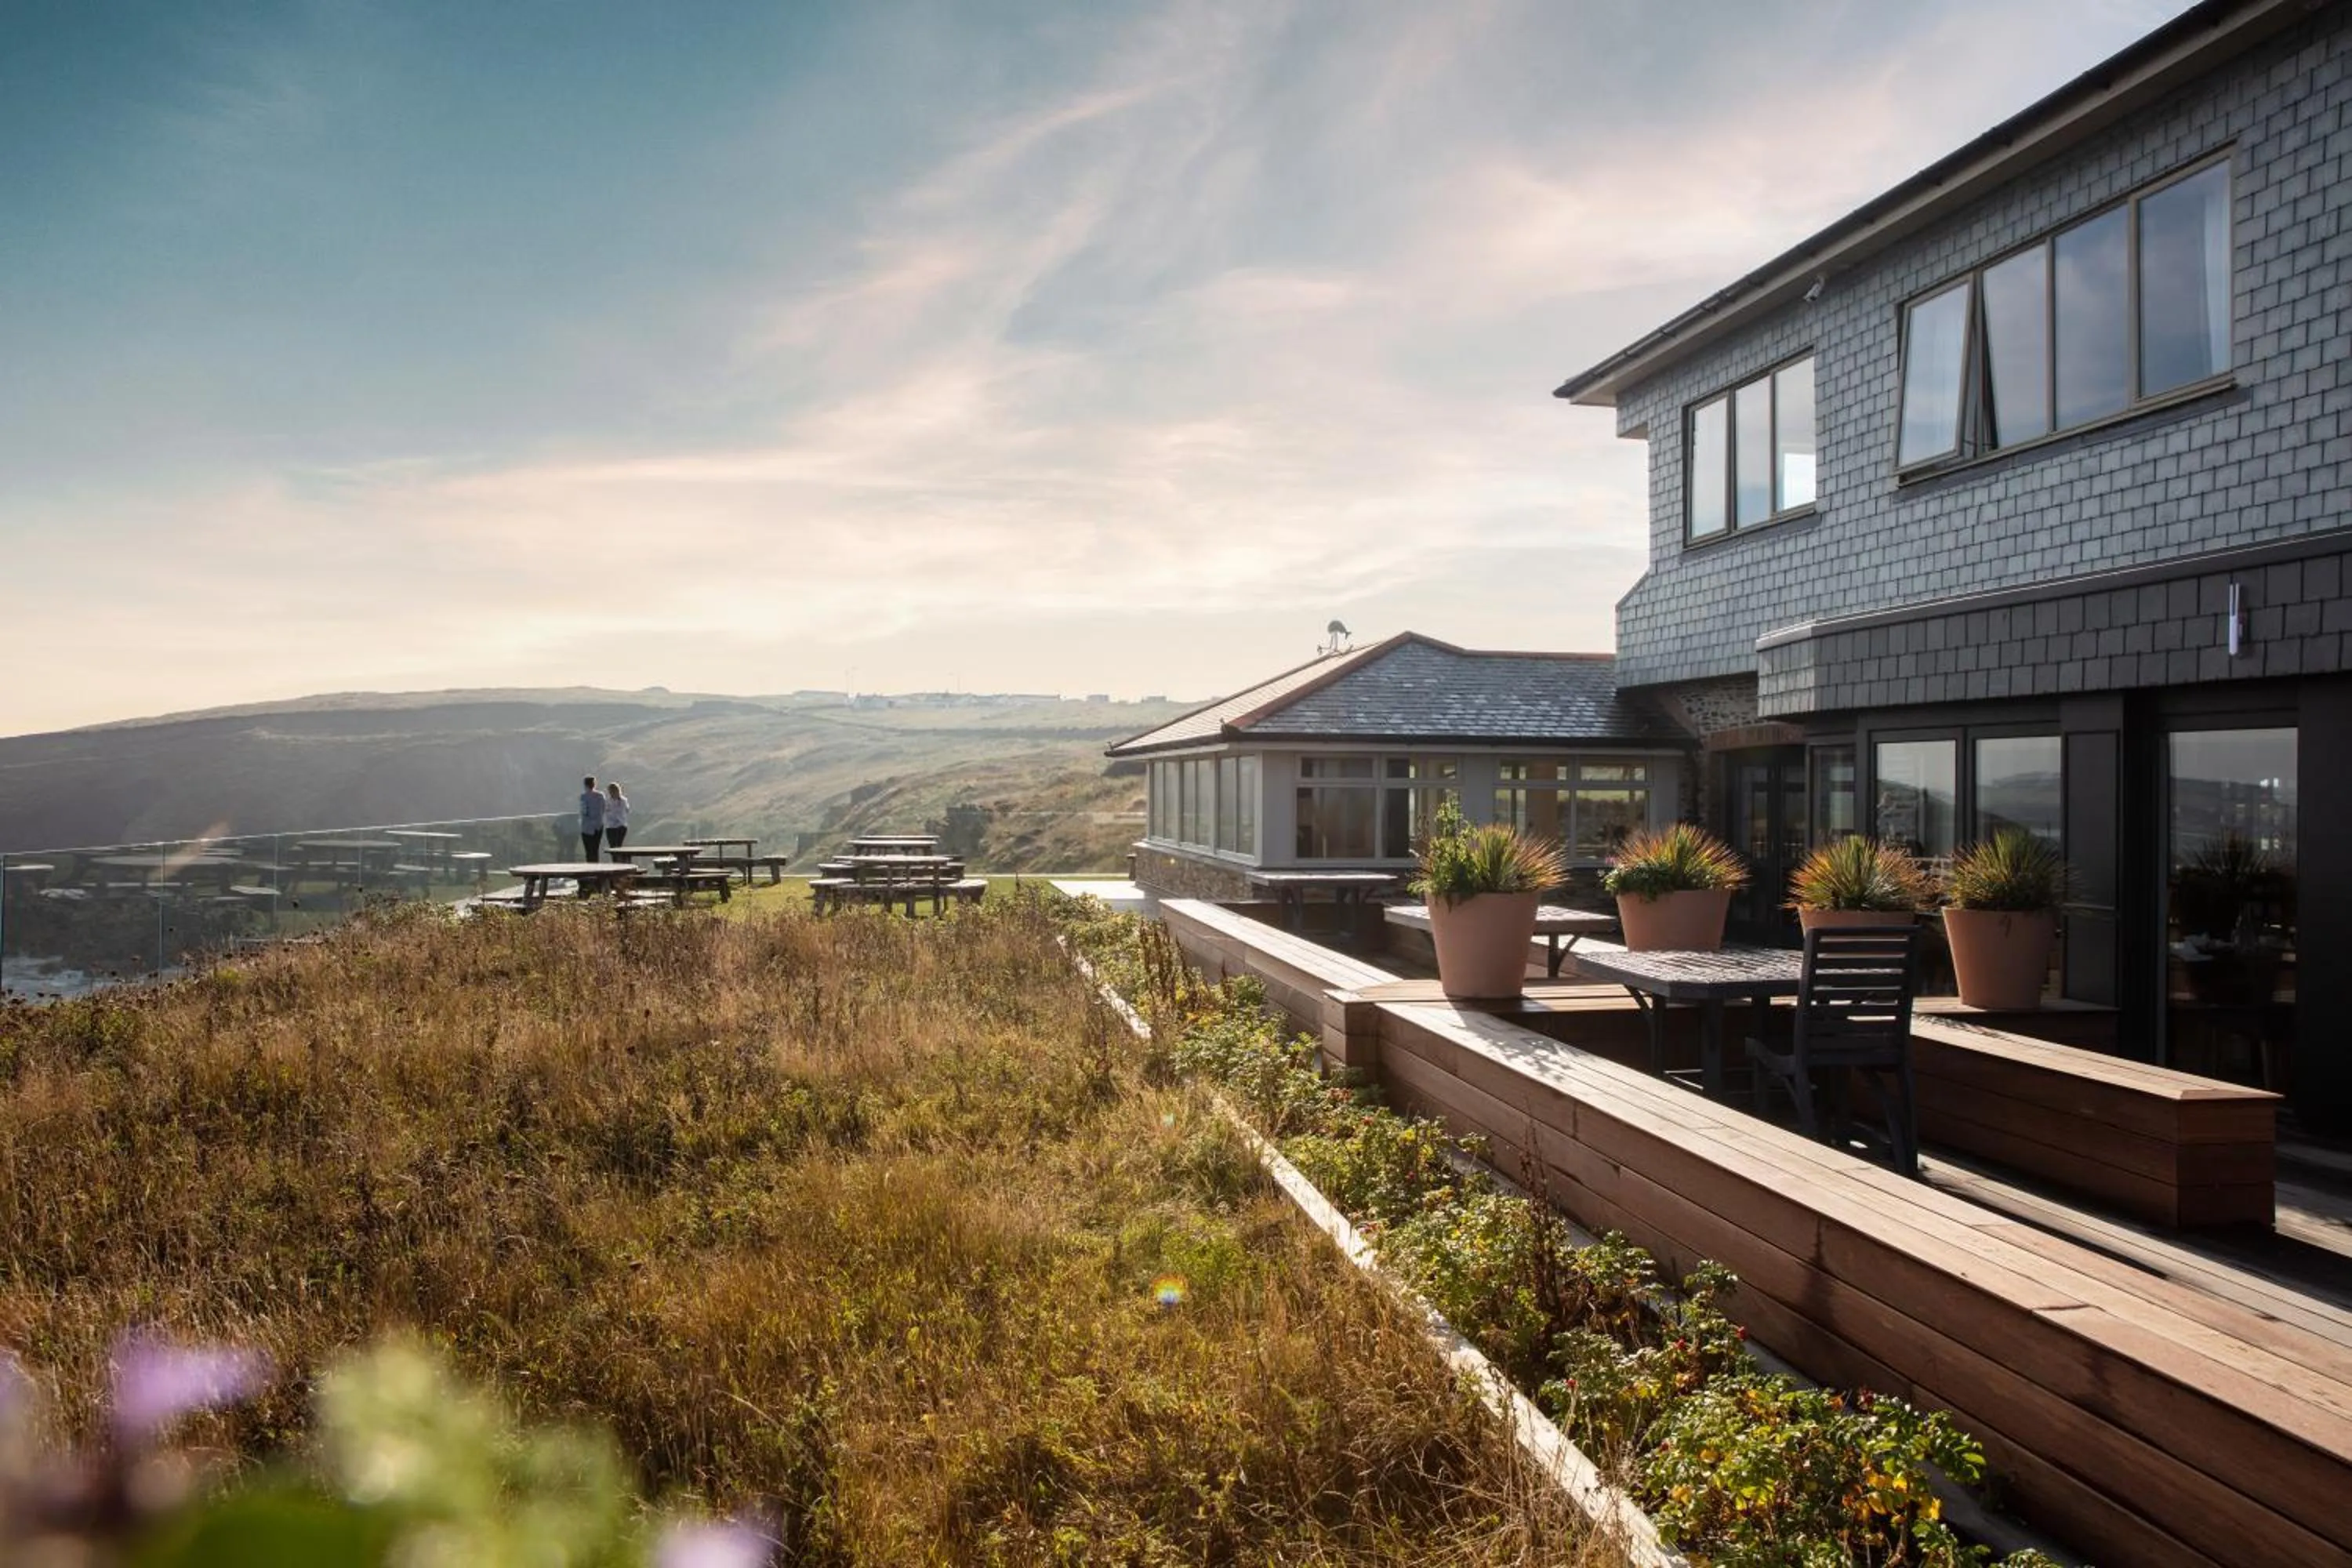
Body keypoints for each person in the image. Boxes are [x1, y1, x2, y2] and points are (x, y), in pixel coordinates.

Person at [578, 775, 606, 861]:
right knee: (595, 849)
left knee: (588, 851)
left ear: (585, 785)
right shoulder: (600, 795)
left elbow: (584, 811)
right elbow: (604, 808)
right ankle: (596, 868)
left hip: (587, 827)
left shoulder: (583, 797)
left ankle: (590, 869)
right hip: (598, 826)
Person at [604, 782, 630, 850]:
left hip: (620, 826)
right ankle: (615, 860)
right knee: (613, 846)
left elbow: (626, 810)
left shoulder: (623, 800)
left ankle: (618, 859)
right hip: (611, 826)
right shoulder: (608, 801)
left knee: (618, 845)